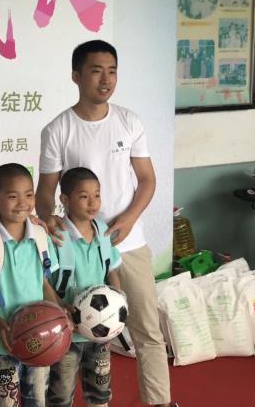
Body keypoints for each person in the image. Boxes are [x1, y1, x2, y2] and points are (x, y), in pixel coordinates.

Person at [36, 40, 176, 407]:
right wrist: (50, 222)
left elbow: (147, 179)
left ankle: (159, 402)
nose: (106, 79)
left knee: (148, 330)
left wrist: (129, 218)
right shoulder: (58, 129)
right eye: (96, 71)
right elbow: (45, 192)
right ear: (76, 76)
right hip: (79, 250)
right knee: (72, 332)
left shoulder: (129, 122)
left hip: (128, 243)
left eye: (112, 71)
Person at [0, 163, 61, 407]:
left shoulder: (41, 237)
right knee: (4, 403)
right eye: (12, 196)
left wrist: (60, 312)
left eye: (29, 195)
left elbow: (44, 284)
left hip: (40, 340)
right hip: (0, 342)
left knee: (37, 400)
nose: (22, 203)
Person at [46, 167, 123, 407]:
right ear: (65, 200)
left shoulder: (103, 231)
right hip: (67, 332)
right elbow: (42, 280)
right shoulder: (56, 236)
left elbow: (112, 270)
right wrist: (59, 306)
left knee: (100, 389)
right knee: (61, 392)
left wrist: (118, 299)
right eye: (84, 196)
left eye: (97, 195)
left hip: (101, 331)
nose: (93, 202)